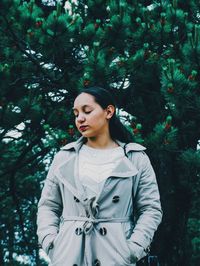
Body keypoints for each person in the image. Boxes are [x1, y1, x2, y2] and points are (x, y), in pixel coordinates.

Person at [37, 86, 162, 266]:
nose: (80, 118)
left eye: (87, 111)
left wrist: (133, 249)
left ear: (109, 111)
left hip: (116, 255)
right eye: (76, 113)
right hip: (68, 255)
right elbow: (48, 206)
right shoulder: (64, 157)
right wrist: (51, 243)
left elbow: (151, 209)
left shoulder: (135, 158)